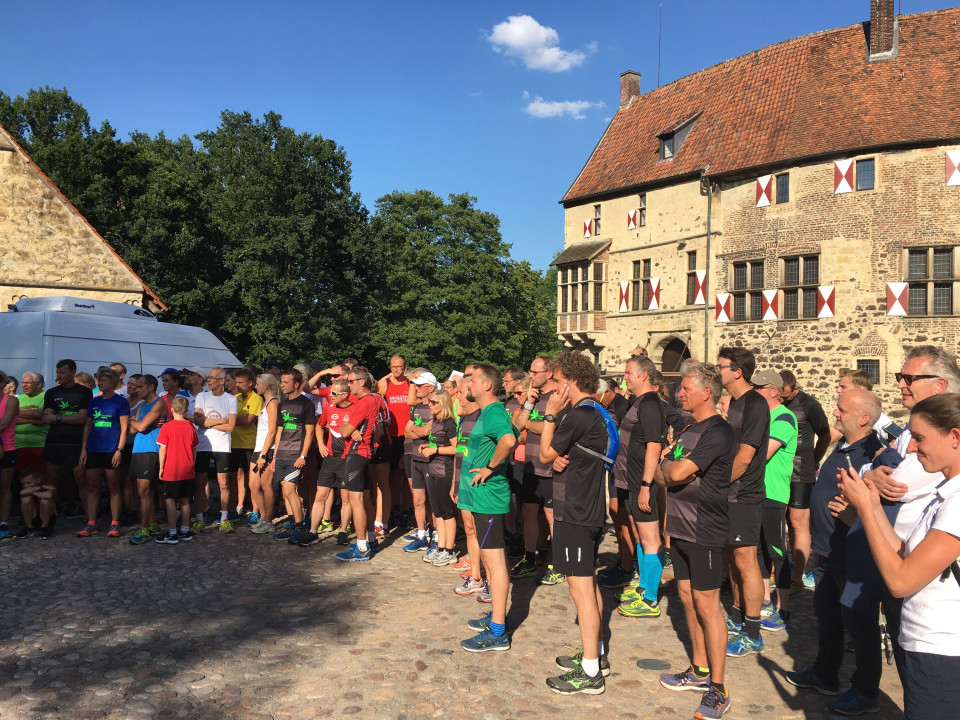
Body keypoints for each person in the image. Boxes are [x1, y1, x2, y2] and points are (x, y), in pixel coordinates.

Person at [839, 393, 960, 720]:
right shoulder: (944, 494)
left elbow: (900, 580)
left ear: (955, 437)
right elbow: (905, 553)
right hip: (927, 647)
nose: (910, 448)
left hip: (943, 653)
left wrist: (864, 506)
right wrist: (872, 506)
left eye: (919, 439)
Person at [858, 345, 960, 688]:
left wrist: (867, 495)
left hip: (934, 616)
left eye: (909, 378)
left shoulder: (941, 444)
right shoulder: (913, 432)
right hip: (904, 558)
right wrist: (872, 470)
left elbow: (897, 484)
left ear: (940, 386)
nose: (901, 383)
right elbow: (879, 472)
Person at [785, 389, 885, 715]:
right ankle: (824, 673)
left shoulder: (875, 453)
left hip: (852, 553)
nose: (836, 413)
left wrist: (859, 509)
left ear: (864, 418)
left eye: (842, 409)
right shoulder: (845, 444)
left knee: (859, 623)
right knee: (827, 615)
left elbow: (889, 490)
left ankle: (866, 690)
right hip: (828, 549)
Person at [655, 362, 735, 720]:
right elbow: (665, 471)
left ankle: (718, 689)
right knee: (687, 600)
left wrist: (669, 468)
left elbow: (677, 471)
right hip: (681, 529)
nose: (679, 392)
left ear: (707, 393)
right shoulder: (689, 428)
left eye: (686, 388)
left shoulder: (717, 431)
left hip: (704, 530)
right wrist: (668, 468)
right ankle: (699, 670)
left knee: (707, 605)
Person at [539, 351, 611, 694]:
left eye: (557, 383)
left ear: (570, 382)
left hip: (577, 510)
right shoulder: (594, 412)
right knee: (588, 585)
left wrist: (550, 415)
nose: (554, 389)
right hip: (587, 508)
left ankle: (591, 672)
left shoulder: (579, 414)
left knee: (579, 587)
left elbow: (544, 453)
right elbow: (560, 458)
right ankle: (594, 653)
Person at [459, 364, 517, 652]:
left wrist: (490, 468)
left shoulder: (494, 412)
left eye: (472, 380)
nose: (467, 384)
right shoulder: (489, 412)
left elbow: (509, 440)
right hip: (480, 498)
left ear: (486, 385)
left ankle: (498, 632)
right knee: (492, 559)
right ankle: (496, 616)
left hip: (489, 498)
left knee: (494, 563)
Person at [716, 347, 770, 657]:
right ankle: (738, 620)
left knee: (746, 561)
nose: (718, 370)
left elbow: (746, 457)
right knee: (732, 560)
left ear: (738, 371)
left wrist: (718, 484)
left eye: (722, 366)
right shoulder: (735, 402)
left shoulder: (756, 404)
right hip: (729, 494)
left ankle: (753, 633)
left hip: (744, 495)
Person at [617, 354, 667, 619]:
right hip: (631, 479)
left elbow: (654, 446)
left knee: (650, 538)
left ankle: (650, 599)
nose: (624, 378)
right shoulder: (638, 402)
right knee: (639, 535)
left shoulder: (649, 404)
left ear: (643, 375)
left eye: (628, 373)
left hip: (641, 480)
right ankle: (644, 586)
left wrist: (647, 485)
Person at [749, 369, 797, 632]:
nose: (754, 391)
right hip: (757, 492)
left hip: (774, 494)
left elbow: (761, 454)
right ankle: (765, 600)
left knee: (777, 551)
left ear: (773, 391)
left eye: (759, 387)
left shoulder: (784, 418)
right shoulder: (763, 416)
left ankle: (784, 607)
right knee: (758, 550)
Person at [779, 369, 832, 591]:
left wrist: (815, 459)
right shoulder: (772, 401)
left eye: (785, 395)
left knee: (798, 522)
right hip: (777, 471)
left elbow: (825, 434)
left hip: (801, 471)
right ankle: (781, 569)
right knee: (779, 521)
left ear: (795, 389)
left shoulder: (809, 404)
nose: (781, 399)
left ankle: (797, 578)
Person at [513, 355, 562, 584]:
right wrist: (529, 403)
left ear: (549, 373)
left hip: (552, 468)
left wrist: (533, 425)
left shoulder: (560, 396)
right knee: (528, 513)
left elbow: (549, 427)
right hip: (530, 466)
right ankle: (529, 559)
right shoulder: (533, 397)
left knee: (552, 517)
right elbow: (517, 425)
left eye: (534, 372)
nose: (530, 376)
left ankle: (559, 564)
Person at [334, 367, 382, 561]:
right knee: (364, 498)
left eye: (351, 381)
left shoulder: (365, 402)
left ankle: (361, 547)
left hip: (356, 452)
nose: (348, 384)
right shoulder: (368, 401)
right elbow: (342, 425)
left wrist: (348, 427)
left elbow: (344, 431)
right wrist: (348, 426)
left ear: (362, 382)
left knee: (356, 501)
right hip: (361, 453)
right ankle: (371, 540)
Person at [41, 359, 93, 538]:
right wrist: (57, 418)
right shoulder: (51, 392)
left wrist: (57, 418)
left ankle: (89, 519)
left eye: (62, 373)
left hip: (76, 442)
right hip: (55, 442)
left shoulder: (84, 392)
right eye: (57, 373)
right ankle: (47, 521)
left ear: (72, 372)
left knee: (81, 480)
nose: (59, 376)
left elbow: (82, 418)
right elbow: (46, 415)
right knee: (51, 480)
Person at [77, 367, 129, 538]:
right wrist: (84, 449)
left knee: (114, 487)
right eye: (99, 379)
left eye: (104, 380)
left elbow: (123, 429)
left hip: (111, 449)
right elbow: (87, 426)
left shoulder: (121, 402)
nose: (100, 382)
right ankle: (91, 522)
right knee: (92, 487)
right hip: (93, 448)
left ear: (114, 382)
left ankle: (115, 523)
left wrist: (119, 450)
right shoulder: (94, 401)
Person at [299, 379, 351, 545]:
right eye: (330, 393)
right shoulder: (329, 408)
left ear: (345, 395)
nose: (331, 396)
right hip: (330, 458)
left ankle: (343, 531)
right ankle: (313, 531)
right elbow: (319, 426)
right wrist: (321, 444)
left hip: (347, 459)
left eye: (334, 394)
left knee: (346, 497)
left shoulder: (354, 409)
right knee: (320, 495)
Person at [269, 369, 316, 542]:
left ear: (296, 384)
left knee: (290, 490)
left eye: (285, 382)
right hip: (281, 454)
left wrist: (303, 456)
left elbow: (310, 432)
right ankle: (291, 526)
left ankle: (299, 527)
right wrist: (274, 456)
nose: (282, 385)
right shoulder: (282, 404)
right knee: (285, 492)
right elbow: (279, 432)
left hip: (296, 454)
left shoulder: (306, 404)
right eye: (282, 382)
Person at [193, 368, 238, 532]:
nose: (208, 381)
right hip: (204, 444)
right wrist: (222, 420)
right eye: (207, 378)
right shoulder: (201, 396)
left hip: (222, 446)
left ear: (222, 380)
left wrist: (208, 421)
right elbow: (198, 420)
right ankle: (199, 518)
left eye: (211, 378)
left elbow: (231, 426)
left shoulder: (230, 399)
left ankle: (224, 518)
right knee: (200, 483)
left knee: (223, 483)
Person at [418, 389, 459, 565]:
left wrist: (435, 450)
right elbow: (439, 442)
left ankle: (449, 550)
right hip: (433, 470)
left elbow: (457, 449)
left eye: (433, 402)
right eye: (429, 401)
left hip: (445, 471)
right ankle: (440, 547)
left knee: (447, 513)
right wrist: (428, 445)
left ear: (443, 404)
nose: (429, 404)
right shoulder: (434, 421)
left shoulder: (449, 423)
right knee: (437, 512)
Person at [128, 375, 168, 545]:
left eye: (140, 387)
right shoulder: (143, 405)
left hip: (151, 450)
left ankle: (145, 528)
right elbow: (132, 430)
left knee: (144, 490)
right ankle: (152, 525)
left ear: (151, 387)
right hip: (139, 449)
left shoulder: (159, 403)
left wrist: (137, 422)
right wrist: (137, 422)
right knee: (142, 491)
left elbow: (141, 426)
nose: (136, 390)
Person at [155, 396, 198, 544]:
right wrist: (192, 463)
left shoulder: (166, 427)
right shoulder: (190, 426)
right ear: (186, 410)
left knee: (170, 500)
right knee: (185, 500)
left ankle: (172, 532)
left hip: (171, 469)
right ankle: (185, 530)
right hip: (187, 468)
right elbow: (194, 448)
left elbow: (163, 449)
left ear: (171, 409)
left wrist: (161, 467)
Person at [403, 372, 437, 552]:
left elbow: (428, 433)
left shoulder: (437, 406)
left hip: (432, 460)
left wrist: (418, 431)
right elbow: (407, 432)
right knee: (418, 500)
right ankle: (422, 535)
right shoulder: (416, 408)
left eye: (419, 385)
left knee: (433, 501)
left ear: (430, 388)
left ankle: (438, 537)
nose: (415, 388)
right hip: (415, 457)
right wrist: (420, 430)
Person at [378, 354, 410, 531]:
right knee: (390, 476)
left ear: (406, 367)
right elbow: (374, 390)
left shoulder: (411, 384)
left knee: (407, 476)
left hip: (408, 436)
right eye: (393, 367)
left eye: (399, 367)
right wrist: (387, 376)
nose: (396, 370)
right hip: (390, 436)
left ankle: (405, 511)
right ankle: (390, 511)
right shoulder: (386, 384)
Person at [249, 373, 280, 534]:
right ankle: (263, 517)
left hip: (266, 449)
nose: (255, 386)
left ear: (266, 385)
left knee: (266, 485)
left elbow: (272, 430)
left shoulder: (273, 403)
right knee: (253, 485)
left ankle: (268, 520)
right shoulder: (264, 402)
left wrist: (263, 454)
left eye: (258, 383)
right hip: (259, 448)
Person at [232, 368, 263, 519]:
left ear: (250, 383)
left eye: (240, 382)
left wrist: (231, 419)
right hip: (234, 443)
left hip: (250, 443)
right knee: (238, 476)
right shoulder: (235, 397)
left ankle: (255, 511)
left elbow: (247, 421)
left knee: (253, 479)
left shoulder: (257, 399)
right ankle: (239, 505)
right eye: (235, 382)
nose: (237, 385)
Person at [15, 371, 48, 481]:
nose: (23, 385)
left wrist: (17, 413)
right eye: (23, 382)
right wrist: (32, 418)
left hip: (39, 445)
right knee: (23, 479)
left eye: (27, 383)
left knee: (40, 477)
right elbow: (11, 418)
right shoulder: (19, 399)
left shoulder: (47, 396)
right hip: (19, 445)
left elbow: (39, 414)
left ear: (38, 384)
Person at [0, 370, 19, 539]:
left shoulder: (11, 400)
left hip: (6, 448)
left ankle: (3, 523)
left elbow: (4, 424)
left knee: (5, 487)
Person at [16, 468, 55, 538]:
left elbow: (49, 495)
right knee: (25, 499)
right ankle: (29, 527)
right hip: (33, 517)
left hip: (46, 517)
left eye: (28, 483)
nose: (25, 486)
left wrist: (32, 492)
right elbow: (22, 492)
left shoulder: (46, 485)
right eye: (23, 484)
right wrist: (40, 488)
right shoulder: (43, 487)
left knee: (45, 500)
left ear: (38, 480)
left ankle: (45, 527)